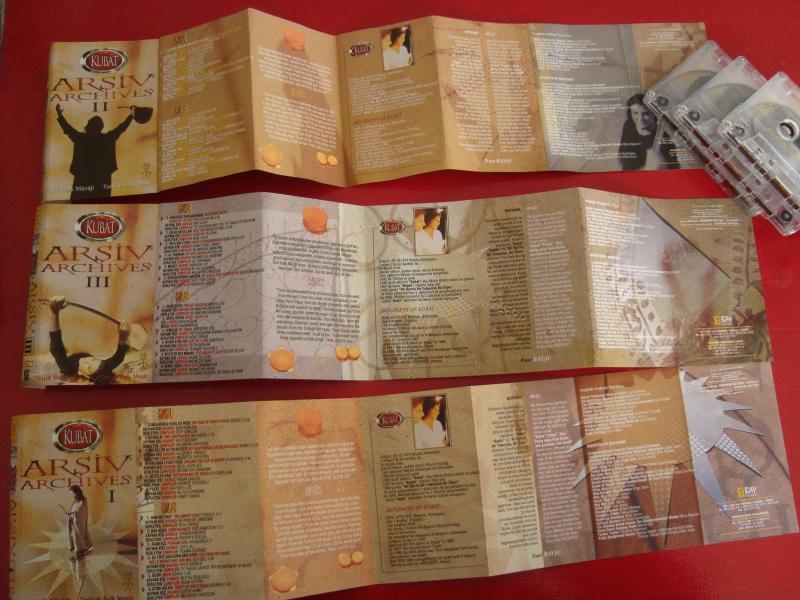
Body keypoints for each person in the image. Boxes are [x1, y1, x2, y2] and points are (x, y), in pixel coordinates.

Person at [55, 103, 135, 200]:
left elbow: (67, 129)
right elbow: (121, 128)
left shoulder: (81, 139)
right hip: (102, 180)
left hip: (82, 179)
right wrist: (131, 116)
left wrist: (60, 115)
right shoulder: (107, 138)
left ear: (88, 126)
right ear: (101, 127)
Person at [48, 295, 130, 384]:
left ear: (85, 375)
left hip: (71, 348)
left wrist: (54, 312)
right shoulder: (104, 367)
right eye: (93, 359)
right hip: (85, 345)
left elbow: (56, 346)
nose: (87, 361)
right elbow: (118, 358)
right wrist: (123, 336)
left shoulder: (68, 368)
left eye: (89, 367)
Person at [618, 94, 678, 171]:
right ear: (630, 113)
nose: (640, 118)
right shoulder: (628, 124)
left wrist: (660, 166)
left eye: (645, 113)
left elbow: (674, 166)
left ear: (654, 113)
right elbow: (622, 153)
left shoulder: (662, 134)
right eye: (635, 113)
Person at [59, 485, 93, 559]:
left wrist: (66, 511)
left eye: (72, 493)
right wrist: (64, 509)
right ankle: (80, 551)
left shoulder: (81, 502)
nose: (71, 495)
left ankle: (80, 552)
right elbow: (71, 513)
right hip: (76, 523)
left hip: (78, 524)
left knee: (77, 537)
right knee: (76, 537)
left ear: (76, 493)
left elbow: (76, 513)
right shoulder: (79, 500)